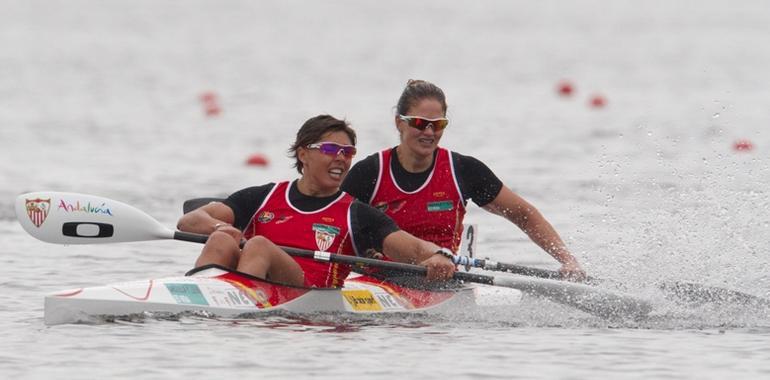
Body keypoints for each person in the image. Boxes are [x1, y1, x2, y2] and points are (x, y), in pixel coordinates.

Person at [341, 80, 586, 280]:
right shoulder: (369, 173)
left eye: (438, 125)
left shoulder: (463, 170)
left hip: (442, 281)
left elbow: (524, 214)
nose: (429, 132)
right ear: (399, 122)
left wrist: (567, 260)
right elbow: (331, 220)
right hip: (378, 280)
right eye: (420, 124)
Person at [177, 114, 456, 288]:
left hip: (311, 295)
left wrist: (440, 256)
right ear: (303, 154)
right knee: (222, 241)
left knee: (259, 245)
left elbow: (415, 248)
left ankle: (229, 306)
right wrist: (219, 228)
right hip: (255, 285)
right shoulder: (263, 196)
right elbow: (190, 221)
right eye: (331, 149)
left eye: (348, 152)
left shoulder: (356, 214)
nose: (341, 158)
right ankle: (201, 299)